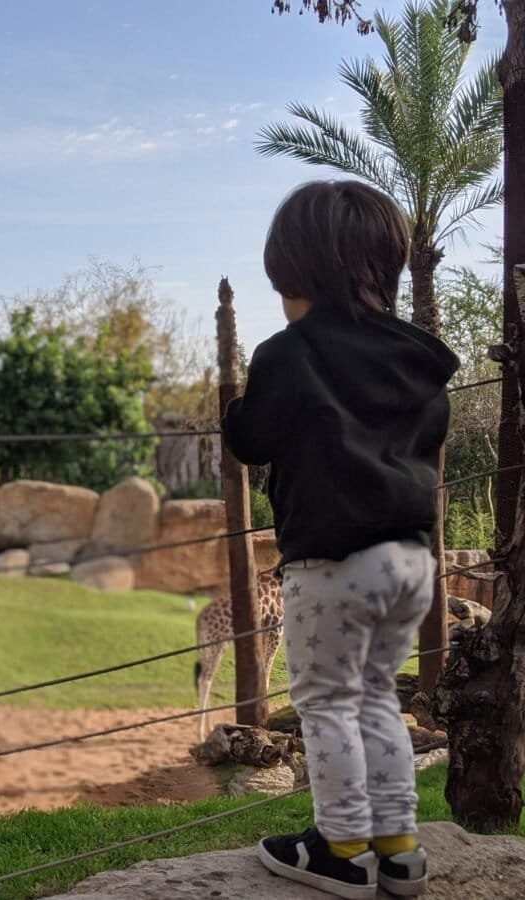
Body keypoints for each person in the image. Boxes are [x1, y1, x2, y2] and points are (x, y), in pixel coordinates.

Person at [222, 180, 459, 899]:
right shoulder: (420, 359)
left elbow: (251, 437)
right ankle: (398, 849)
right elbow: (431, 434)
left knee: (326, 702)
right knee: (377, 697)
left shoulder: (289, 353)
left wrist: (237, 404)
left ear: (298, 276)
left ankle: (339, 847)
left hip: (335, 562)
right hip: (411, 560)